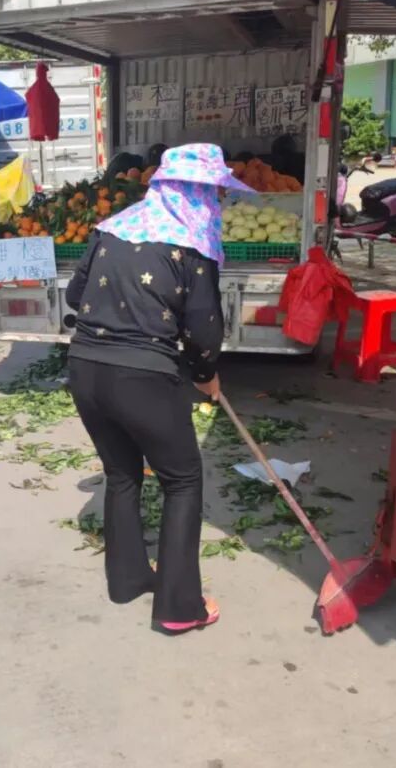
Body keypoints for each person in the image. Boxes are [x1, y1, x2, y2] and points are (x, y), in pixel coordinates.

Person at [64, 143, 252, 636]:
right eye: (215, 192)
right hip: (143, 377)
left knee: (121, 473)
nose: (218, 201)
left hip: (84, 368)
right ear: (198, 192)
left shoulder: (113, 228)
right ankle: (180, 606)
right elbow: (204, 329)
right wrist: (205, 373)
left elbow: (75, 295)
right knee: (183, 479)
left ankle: (128, 579)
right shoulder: (191, 244)